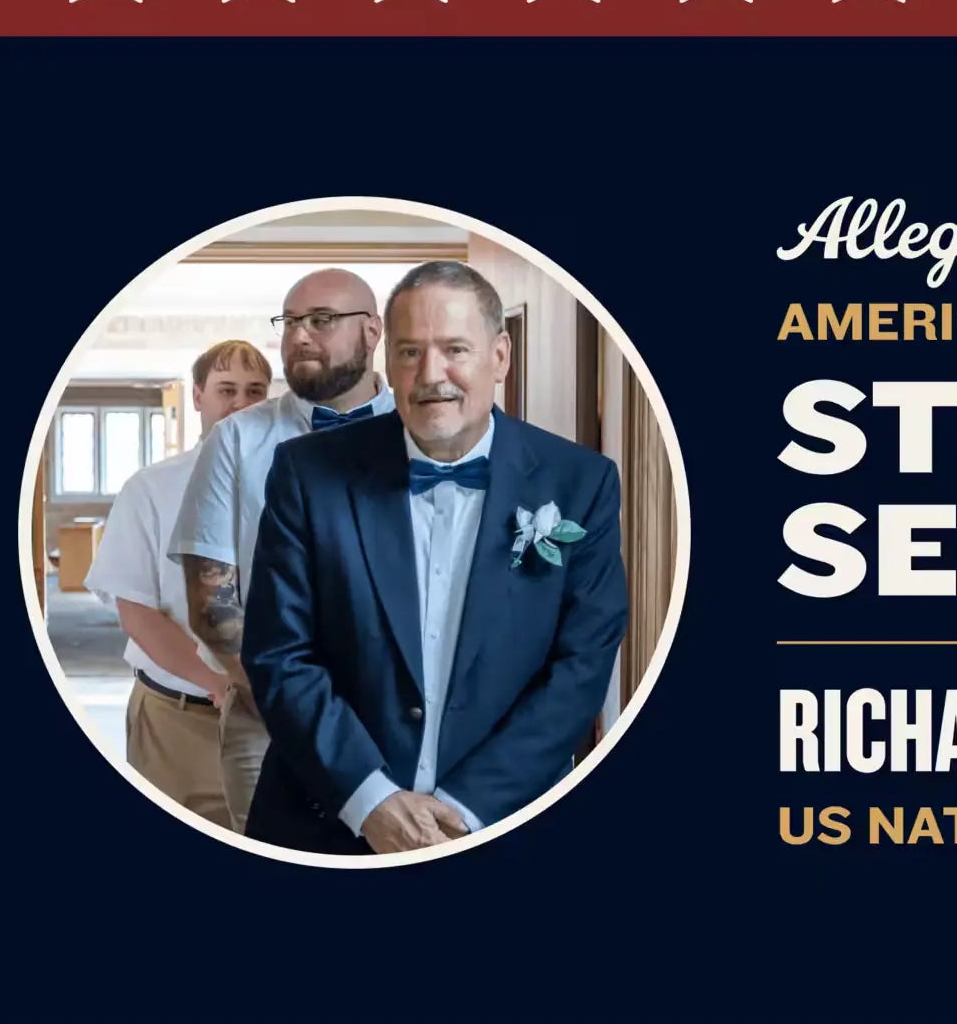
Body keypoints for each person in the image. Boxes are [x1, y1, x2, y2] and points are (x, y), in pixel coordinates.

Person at [242, 260, 629, 854]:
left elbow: (580, 669)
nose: (432, 375)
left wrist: (465, 811)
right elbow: (279, 655)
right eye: (409, 352)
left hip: (505, 817)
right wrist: (369, 800)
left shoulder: (581, 483)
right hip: (324, 823)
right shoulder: (306, 473)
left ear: (499, 357)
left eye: (454, 349)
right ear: (386, 360)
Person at [167, 269, 394, 833]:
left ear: (371, 332)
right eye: (290, 322)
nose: (299, 336)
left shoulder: (422, 433)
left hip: (399, 716)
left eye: (321, 321)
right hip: (266, 719)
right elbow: (212, 605)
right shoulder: (237, 439)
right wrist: (300, 707)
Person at [82, 341, 273, 826]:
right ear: (198, 397)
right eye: (226, 389)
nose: (241, 403)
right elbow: (138, 614)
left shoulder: (296, 483)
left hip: (277, 724)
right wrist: (222, 685)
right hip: (179, 718)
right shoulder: (150, 489)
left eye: (255, 391)